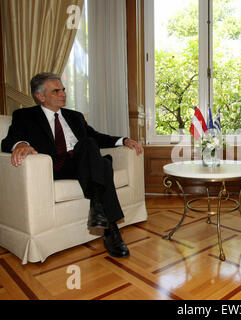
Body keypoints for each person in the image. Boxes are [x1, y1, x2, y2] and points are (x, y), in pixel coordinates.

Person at [1, 73, 144, 258]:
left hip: (81, 163)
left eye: (63, 89)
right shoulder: (25, 116)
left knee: (89, 144)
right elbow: (8, 141)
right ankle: (111, 230)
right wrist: (20, 144)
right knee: (103, 164)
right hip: (55, 166)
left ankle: (101, 215)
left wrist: (123, 140)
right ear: (40, 96)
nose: (63, 94)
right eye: (56, 91)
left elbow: (97, 137)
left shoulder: (75, 116)